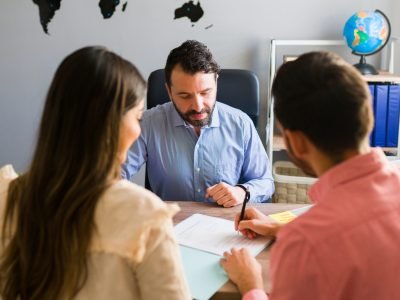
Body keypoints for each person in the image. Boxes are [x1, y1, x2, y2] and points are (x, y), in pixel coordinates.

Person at [0, 46, 190, 300]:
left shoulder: (7, 198)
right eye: (136, 117)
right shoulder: (144, 215)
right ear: (109, 125)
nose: (138, 130)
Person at [220, 51, 400, 299]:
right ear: (368, 117)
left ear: (296, 142)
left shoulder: (305, 244)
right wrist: (278, 228)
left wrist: (251, 285)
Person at [122, 40, 274, 207]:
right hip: (170, 225)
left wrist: (242, 192)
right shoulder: (147, 124)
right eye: (185, 96)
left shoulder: (241, 123)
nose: (198, 106)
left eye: (205, 93)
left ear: (216, 82)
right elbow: (114, 177)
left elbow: (265, 182)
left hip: (226, 225)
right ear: (169, 91)